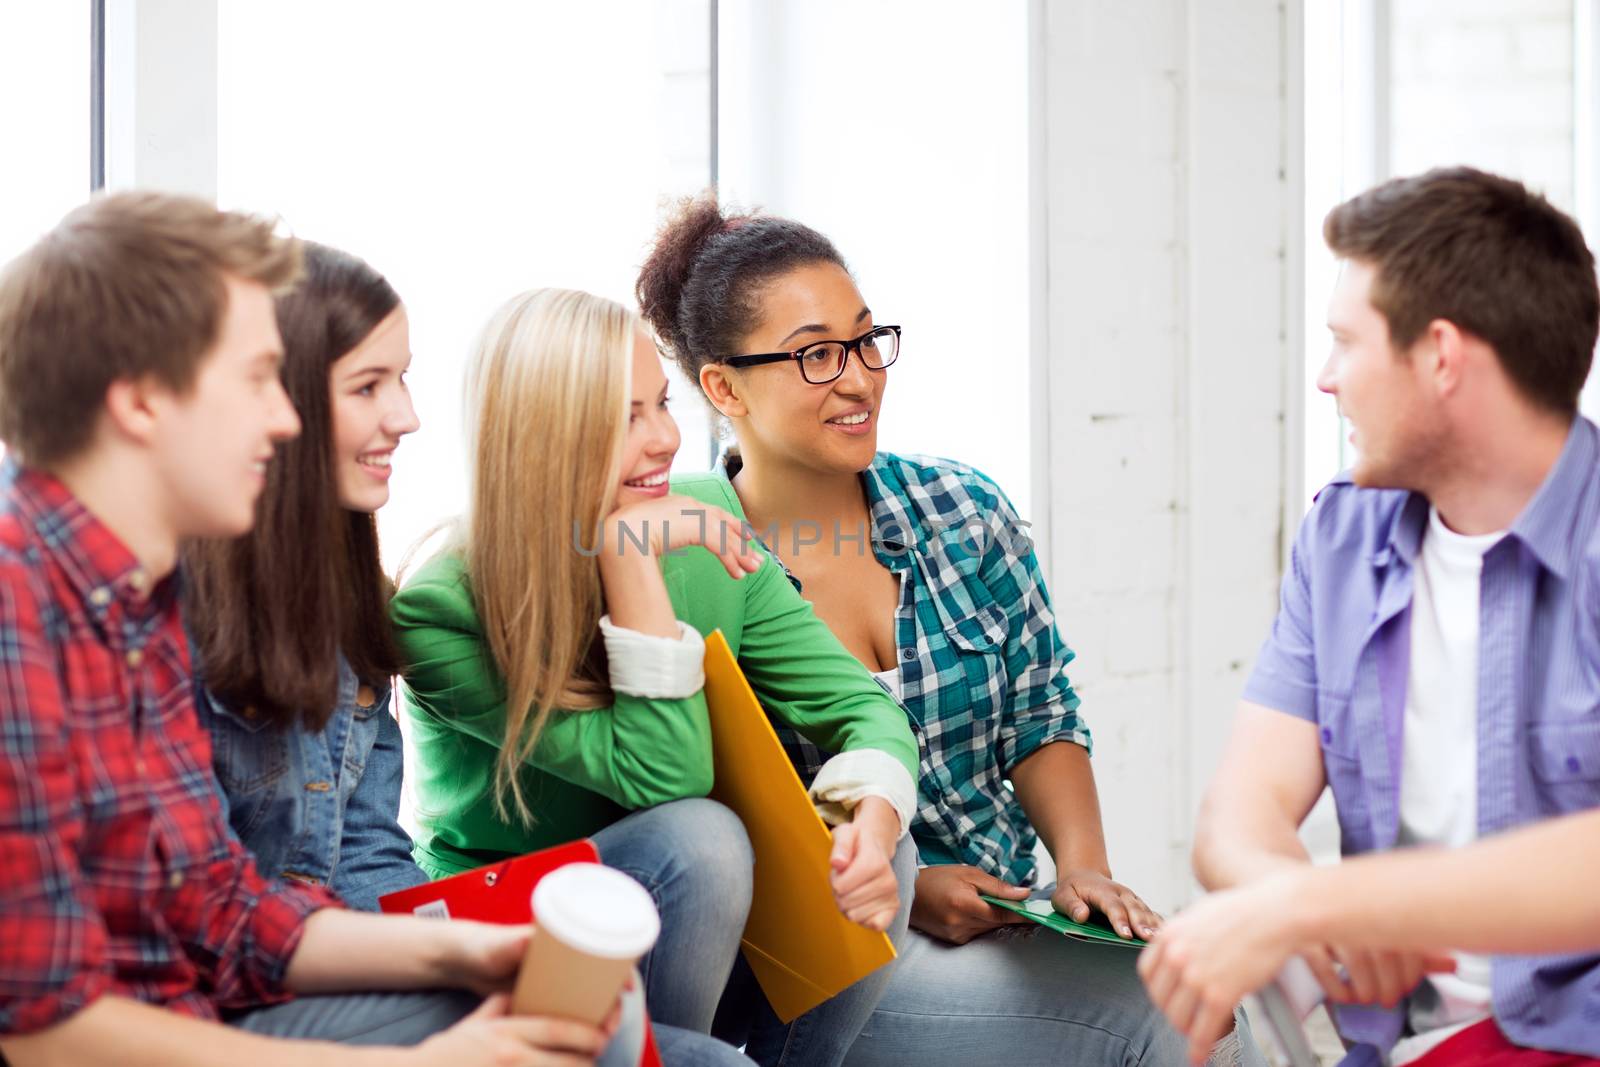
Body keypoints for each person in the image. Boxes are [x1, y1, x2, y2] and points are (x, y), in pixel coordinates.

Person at [635, 197, 1260, 1067]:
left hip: (1016, 909)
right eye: (817, 354)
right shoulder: (699, 564)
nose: (858, 378)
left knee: (1212, 982)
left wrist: (1081, 866)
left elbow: (1041, 709)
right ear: (723, 386)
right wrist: (909, 886)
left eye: (865, 340)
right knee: (1165, 1014)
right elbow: (725, 822)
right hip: (848, 955)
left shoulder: (960, 507)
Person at [0, 192, 613, 1067]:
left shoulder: (136, 607)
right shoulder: (17, 609)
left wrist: (468, 944)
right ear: (140, 401)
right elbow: (46, 1035)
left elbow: (223, 908)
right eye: (256, 380)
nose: (285, 418)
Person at [389, 287, 919, 1067]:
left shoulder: (706, 519)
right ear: (544, 437)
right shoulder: (441, 608)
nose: (667, 438)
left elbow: (862, 711)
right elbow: (666, 779)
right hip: (512, 938)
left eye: (663, 404)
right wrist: (628, 557)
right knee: (700, 838)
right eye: (626, 417)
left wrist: (870, 820)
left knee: (874, 845)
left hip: (700, 920)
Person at [1167, 166, 1600, 1066]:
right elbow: (1236, 819)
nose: (1326, 381)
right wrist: (1299, 905)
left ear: (1441, 356)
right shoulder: (1343, 537)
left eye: (1344, 342)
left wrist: (1323, 905)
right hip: (1401, 1043)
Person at [1141, 808, 1600, 1065]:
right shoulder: (1325, 637)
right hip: (1412, 1036)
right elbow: (1231, 822)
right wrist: (1293, 904)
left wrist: (1340, 904)